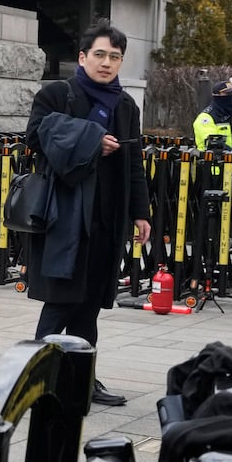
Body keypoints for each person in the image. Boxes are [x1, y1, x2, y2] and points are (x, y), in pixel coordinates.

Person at [25, 23, 152, 407]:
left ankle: (82, 377)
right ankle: (31, 376)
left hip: (108, 216)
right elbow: (34, 138)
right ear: (82, 57)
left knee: (91, 303)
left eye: (115, 57)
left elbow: (133, 162)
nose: (107, 63)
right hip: (65, 214)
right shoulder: (57, 94)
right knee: (61, 300)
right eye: (99, 54)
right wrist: (91, 138)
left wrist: (140, 213)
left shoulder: (126, 105)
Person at [192, 80, 232, 150]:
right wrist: (229, 152)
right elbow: (211, 142)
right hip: (211, 158)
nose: (230, 96)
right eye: (227, 93)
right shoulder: (206, 118)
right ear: (217, 96)